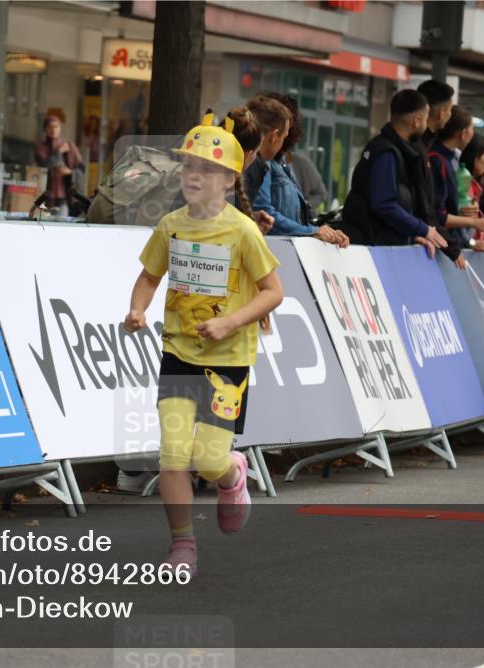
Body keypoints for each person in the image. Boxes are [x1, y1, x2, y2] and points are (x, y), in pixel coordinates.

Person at [123, 113, 284, 575]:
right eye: (190, 166)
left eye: (208, 169)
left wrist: (230, 322)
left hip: (227, 362)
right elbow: (149, 277)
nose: (195, 175)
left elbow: (274, 293)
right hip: (178, 353)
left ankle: (233, 473)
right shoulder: (171, 225)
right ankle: (182, 545)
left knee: (208, 458)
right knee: (172, 453)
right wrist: (138, 309)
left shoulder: (243, 232)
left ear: (231, 180)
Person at [341, 89, 463, 265]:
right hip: (372, 250)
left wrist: (412, 235)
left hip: (378, 245)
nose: (426, 123)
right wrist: (423, 229)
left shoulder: (391, 149)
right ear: (416, 121)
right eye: (425, 117)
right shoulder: (387, 153)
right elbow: (384, 204)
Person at [245, 94, 347, 246]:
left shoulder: (275, 163)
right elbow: (265, 212)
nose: (284, 142)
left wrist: (317, 231)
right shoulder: (259, 165)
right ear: (274, 136)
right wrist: (312, 231)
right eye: (283, 136)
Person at [428, 106, 484, 250]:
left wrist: (463, 212)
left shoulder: (451, 160)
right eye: (472, 129)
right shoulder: (438, 161)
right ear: (463, 134)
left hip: (450, 243)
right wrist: (472, 223)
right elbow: (438, 215)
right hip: (442, 245)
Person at [34, 115, 83, 217]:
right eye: (50, 127)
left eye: (56, 127)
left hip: (64, 197)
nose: (53, 130)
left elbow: (81, 169)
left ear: (60, 128)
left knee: (61, 225)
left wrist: (69, 172)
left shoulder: (69, 145)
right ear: (45, 129)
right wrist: (59, 152)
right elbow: (44, 166)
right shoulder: (40, 147)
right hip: (44, 196)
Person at [417, 79, 455, 150]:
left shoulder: (411, 139)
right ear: (442, 112)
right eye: (450, 110)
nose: (450, 114)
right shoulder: (421, 146)